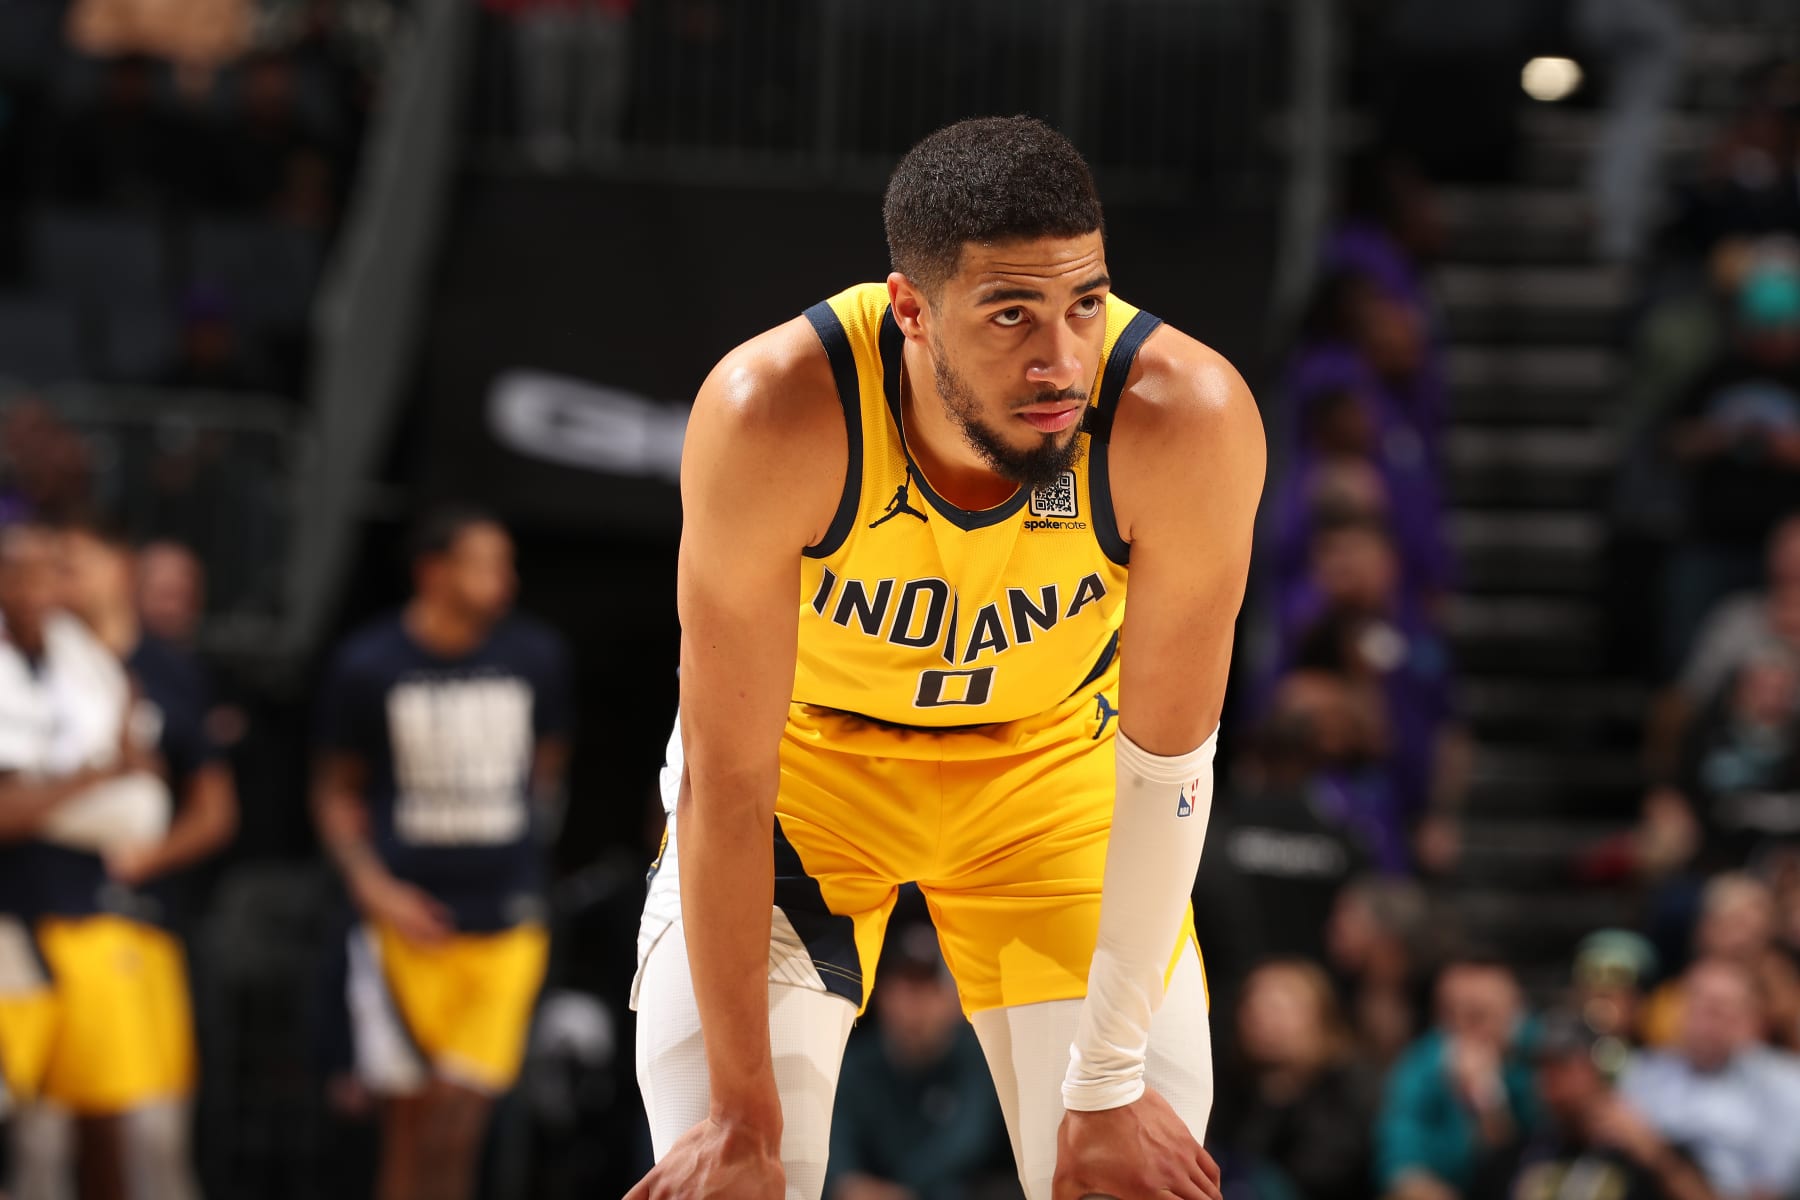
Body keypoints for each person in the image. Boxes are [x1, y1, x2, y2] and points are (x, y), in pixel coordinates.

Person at [627, 116, 1263, 1200]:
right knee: (740, 1178)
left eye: (1084, 303)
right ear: (911, 312)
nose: (1060, 358)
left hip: (1051, 784)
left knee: (1125, 1178)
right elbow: (726, 777)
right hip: (807, 781)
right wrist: (741, 1116)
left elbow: (1171, 769)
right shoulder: (776, 411)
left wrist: (1105, 1086)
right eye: (1011, 313)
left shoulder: (1183, 418)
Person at [312, 506, 573, 1200]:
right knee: (411, 1126)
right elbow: (337, 789)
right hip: (407, 920)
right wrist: (373, 887)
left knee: (461, 1117)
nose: (505, 580)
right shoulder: (369, 664)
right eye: (486, 563)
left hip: (506, 920)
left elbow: (548, 765)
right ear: (433, 571)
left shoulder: (536, 657)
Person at [0, 521, 177, 1200]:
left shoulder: (92, 665)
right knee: (33, 1147)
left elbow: (149, 800)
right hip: (11, 928)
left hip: (82, 922)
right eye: (31, 571)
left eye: (59, 570)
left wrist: (47, 795)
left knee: (108, 1128)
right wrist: (100, 777)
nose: (48, 587)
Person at [825, 917, 1013, 1200]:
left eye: (928, 989)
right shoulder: (854, 1063)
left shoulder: (979, 1058)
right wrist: (847, 1183)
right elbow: (835, 1146)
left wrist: (902, 1192)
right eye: (903, 988)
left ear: (954, 1000)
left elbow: (968, 1141)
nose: (913, 1007)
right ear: (882, 995)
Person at [1619, 959, 1800, 1199]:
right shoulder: (1642, 1071)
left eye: (1718, 1010)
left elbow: (1769, 1193)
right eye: (1694, 1004)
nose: (1703, 1023)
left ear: (1750, 1018)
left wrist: (1660, 1159)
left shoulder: (1785, 1084)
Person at [1495, 1008, 1714, 1200]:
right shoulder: (1524, 1153)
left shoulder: (1644, 1150)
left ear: (1597, 1070)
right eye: (1543, 1070)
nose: (1551, 1083)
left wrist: (1656, 1157)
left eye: (1563, 1068)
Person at [1375, 954, 1539, 1200]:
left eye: (1478, 1014)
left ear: (1516, 1012)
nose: (1463, 1027)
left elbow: (1531, 1163)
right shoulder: (1423, 1061)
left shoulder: (1544, 1057)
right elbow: (1398, 1155)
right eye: (1450, 1014)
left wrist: (1487, 1097)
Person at [1213, 960, 1378, 1200]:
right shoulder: (1233, 1084)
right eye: (1251, 1006)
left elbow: (1328, 1176)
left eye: (1277, 1008)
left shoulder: (1351, 1084)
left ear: (1320, 1017)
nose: (1259, 1017)